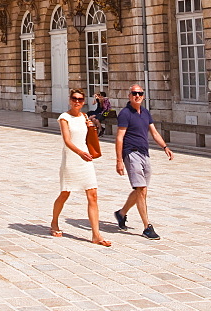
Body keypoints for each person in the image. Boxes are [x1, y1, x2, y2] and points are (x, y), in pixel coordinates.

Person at [51, 89, 111, 246]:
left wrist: (91, 127)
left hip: (85, 160)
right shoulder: (64, 118)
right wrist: (80, 153)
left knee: (93, 195)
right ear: (70, 100)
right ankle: (54, 222)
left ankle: (96, 235)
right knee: (65, 193)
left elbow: (87, 137)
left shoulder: (84, 116)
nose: (77, 101)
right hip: (72, 158)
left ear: (83, 101)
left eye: (80, 99)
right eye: (74, 98)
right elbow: (67, 140)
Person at [114, 84, 174, 240]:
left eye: (140, 93)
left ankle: (121, 214)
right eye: (134, 93)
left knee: (142, 190)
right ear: (129, 95)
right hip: (131, 153)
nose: (137, 96)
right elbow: (119, 137)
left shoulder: (146, 113)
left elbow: (153, 132)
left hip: (144, 154)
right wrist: (119, 160)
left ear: (143, 96)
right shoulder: (125, 114)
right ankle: (147, 227)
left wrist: (165, 147)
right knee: (141, 189)